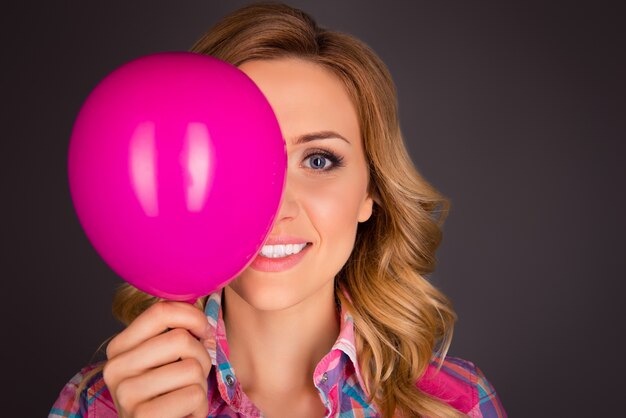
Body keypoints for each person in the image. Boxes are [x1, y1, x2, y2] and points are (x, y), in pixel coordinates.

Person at [50, 3, 506, 417]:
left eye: (319, 160)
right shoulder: (99, 404)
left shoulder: (457, 403)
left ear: (372, 192)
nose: (276, 208)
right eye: (238, 158)